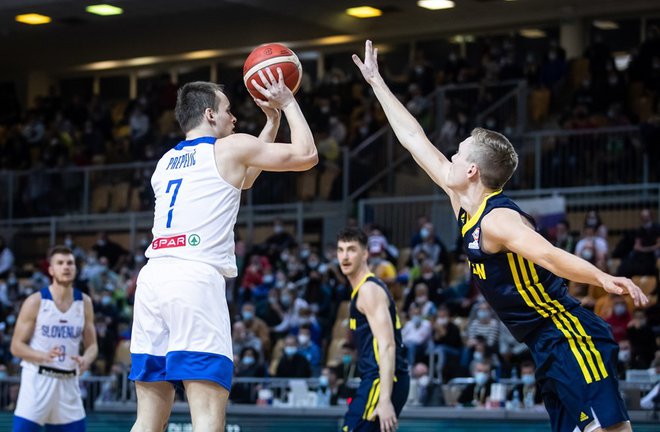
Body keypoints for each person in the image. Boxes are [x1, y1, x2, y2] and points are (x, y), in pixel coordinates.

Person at [353, 40, 648, 432]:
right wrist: (376, 83)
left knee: (612, 430)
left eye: (458, 155)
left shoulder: (498, 219)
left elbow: (549, 255)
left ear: (473, 170)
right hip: (543, 344)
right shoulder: (463, 202)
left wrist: (601, 278)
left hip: (567, 335)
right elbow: (413, 139)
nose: (451, 159)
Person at [129, 72, 317, 432]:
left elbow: (243, 178)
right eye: (228, 110)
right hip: (194, 279)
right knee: (208, 415)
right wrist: (288, 103)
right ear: (210, 115)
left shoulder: (165, 162)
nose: (234, 118)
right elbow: (306, 155)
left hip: (153, 279)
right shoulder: (229, 147)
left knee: (148, 419)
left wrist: (272, 122)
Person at [10, 246, 98, 431]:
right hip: (38, 380)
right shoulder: (36, 301)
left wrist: (86, 359)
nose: (66, 267)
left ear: (76, 268)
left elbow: (92, 346)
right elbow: (16, 347)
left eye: (70, 263)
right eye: (60, 263)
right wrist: (43, 355)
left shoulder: (85, 303)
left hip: (68, 383)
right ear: (51, 270)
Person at [337, 227, 409, 432]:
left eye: (351, 249)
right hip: (377, 378)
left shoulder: (369, 290)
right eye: (340, 250)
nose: (345, 256)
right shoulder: (361, 291)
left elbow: (387, 345)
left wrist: (385, 400)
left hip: (381, 380)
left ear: (365, 253)